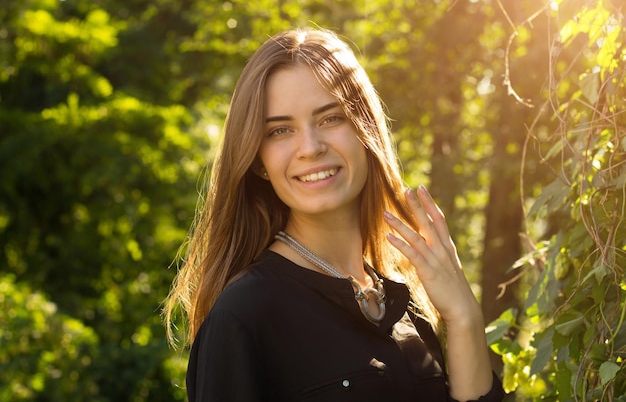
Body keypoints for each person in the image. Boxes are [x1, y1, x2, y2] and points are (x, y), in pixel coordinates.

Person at [164, 27, 504, 402]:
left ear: (365, 131)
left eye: (330, 118)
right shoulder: (245, 314)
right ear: (258, 162)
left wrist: (462, 316)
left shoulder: (405, 305)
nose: (310, 148)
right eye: (280, 130)